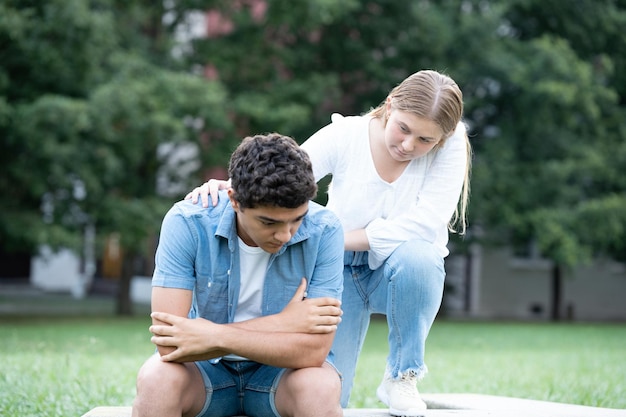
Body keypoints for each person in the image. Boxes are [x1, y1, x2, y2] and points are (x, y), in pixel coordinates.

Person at [188, 69, 472, 417]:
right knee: (329, 397)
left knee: (422, 258)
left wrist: (335, 239)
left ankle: (402, 375)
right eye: (403, 129)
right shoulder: (346, 135)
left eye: (425, 141)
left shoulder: (452, 140)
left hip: (396, 271)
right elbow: (286, 175)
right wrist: (228, 186)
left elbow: (425, 224)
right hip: (334, 271)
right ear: (390, 104)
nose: (409, 145)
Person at [133, 133, 345, 417]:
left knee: (319, 387)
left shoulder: (325, 229)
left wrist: (213, 335)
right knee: (156, 380)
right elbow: (170, 344)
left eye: (297, 219)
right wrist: (283, 324)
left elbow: (313, 351)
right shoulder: (187, 221)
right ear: (234, 200)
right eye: (268, 222)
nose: (285, 235)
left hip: (281, 374)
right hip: (205, 372)